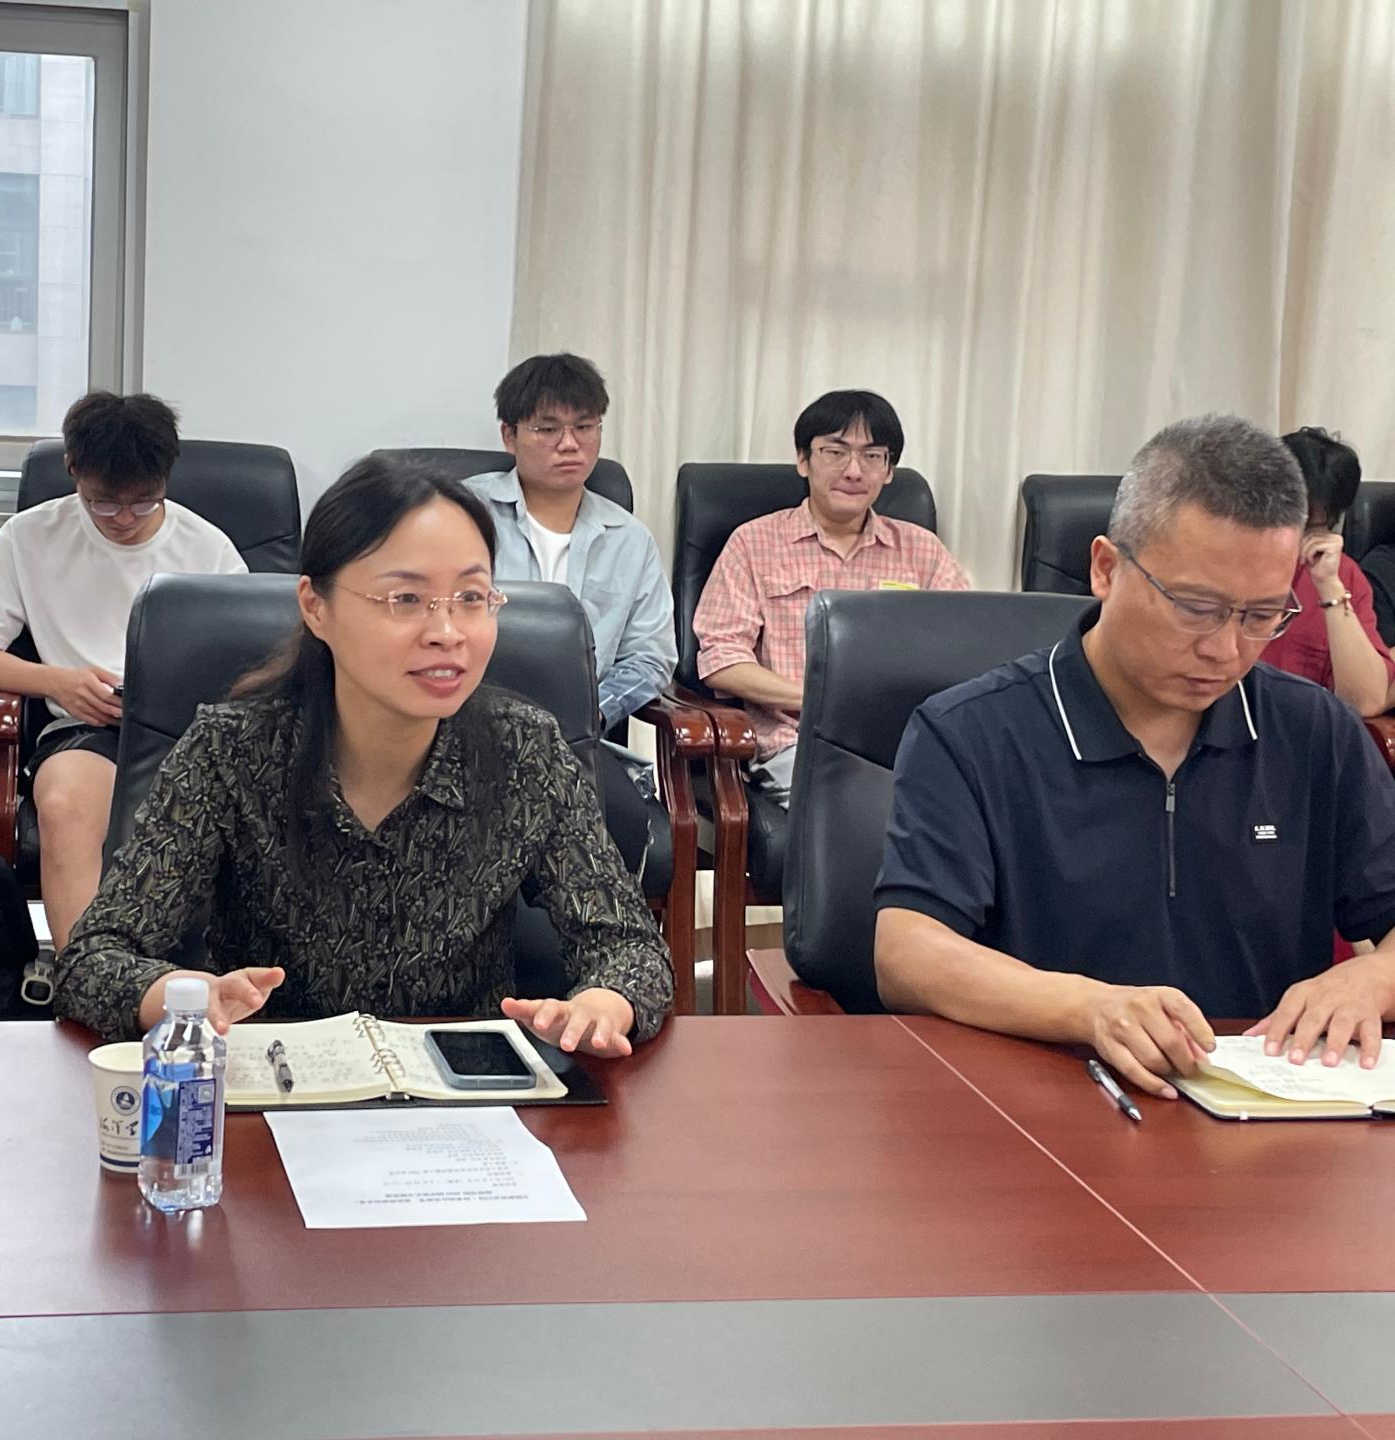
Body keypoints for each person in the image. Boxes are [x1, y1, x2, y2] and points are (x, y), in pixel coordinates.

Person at [53, 454, 673, 1052]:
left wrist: (603, 1004)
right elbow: (92, 958)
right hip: (276, 1086)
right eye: (405, 599)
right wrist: (180, 997)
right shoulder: (230, 750)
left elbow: (631, 949)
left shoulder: (524, 751)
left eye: (471, 597)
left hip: (459, 1097)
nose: (447, 632)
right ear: (315, 607)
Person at [875, 415, 1395, 1099]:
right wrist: (1088, 1008)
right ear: (1106, 569)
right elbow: (907, 952)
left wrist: (1372, 976)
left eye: (1261, 616)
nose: (1225, 650)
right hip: (1044, 1105)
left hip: (1262, 1112)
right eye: (1195, 608)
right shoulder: (972, 732)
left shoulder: (1315, 732)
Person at [0, 392, 247, 947]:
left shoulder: (208, 549)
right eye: (104, 504)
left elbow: (248, 664)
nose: (126, 519)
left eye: (146, 501)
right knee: (64, 804)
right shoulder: (29, 537)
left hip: (192, 731)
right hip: (87, 728)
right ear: (73, 470)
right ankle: (84, 974)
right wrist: (59, 682)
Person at [693, 389, 969, 804]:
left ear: (889, 470)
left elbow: (962, 649)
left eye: (872, 456)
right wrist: (821, 698)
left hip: (905, 744)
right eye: (835, 452)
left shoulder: (922, 551)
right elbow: (722, 661)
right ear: (803, 460)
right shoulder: (754, 544)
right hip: (800, 744)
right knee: (866, 806)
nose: (854, 470)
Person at [465, 353, 676, 876]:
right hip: (467, 728)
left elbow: (652, 657)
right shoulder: (462, 513)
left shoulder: (629, 539)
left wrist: (587, 713)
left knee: (621, 821)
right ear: (509, 435)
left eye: (585, 426)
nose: (570, 443)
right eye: (548, 428)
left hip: (578, 740)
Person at [1260, 427, 1395, 716]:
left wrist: (1329, 585)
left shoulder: (1342, 575)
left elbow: (1366, 701)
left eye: (1309, 523)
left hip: (1296, 731)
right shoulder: (1218, 561)